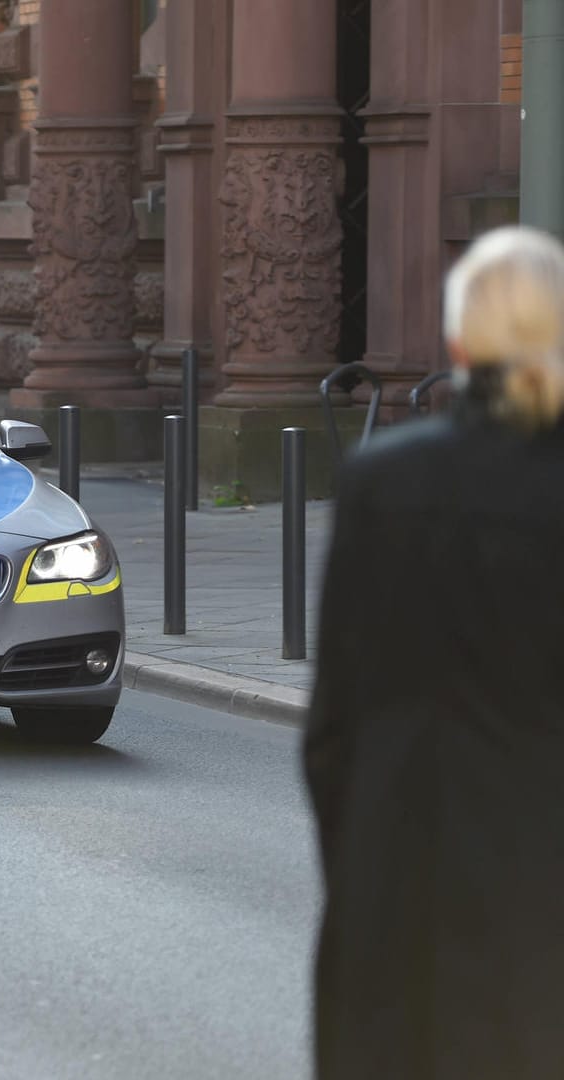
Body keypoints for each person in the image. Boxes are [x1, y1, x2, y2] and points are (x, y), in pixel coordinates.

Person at [305, 224, 564, 1080]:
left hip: (400, 864)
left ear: (457, 342)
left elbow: (333, 722)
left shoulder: (385, 479)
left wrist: (360, 856)